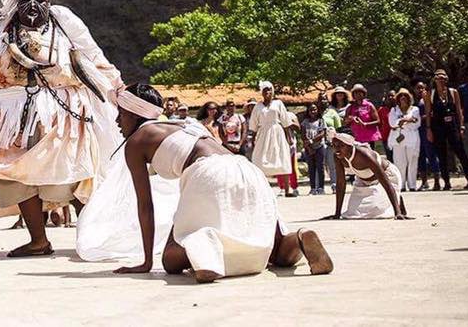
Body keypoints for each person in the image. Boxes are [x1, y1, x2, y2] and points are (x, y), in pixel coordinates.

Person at [0, 0, 123, 258]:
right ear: (15, 4)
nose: (33, 6)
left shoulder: (65, 24)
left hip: (64, 114)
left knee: (76, 172)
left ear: (49, 0)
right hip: (6, 119)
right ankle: (38, 241)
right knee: (12, 175)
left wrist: (117, 89)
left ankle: (93, 236)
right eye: (26, 1)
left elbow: (94, 57)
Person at [111, 84, 333, 281]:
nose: (116, 121)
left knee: (171, 259)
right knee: (274, 249)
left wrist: (147, 262)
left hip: (208, 172)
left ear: (134, 112)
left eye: (120, 114)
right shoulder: (183, 124)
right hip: (246, 169)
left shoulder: (136, 142)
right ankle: (299, 238)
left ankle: (204, 253)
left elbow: (145, 205)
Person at [326, 133, 408, 219]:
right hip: (363, 180)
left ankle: (398, 200)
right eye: (334, 145)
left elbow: (386, 182)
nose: (337, 149)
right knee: (353, 213)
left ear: (350, 146)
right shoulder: (338, 156)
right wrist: (337, 214)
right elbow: (341, 183)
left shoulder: (365, 155)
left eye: (341, 145)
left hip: (388, 177)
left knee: (377, 211)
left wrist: (397, 212)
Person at [424, 70, 468, 190]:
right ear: (435, 80)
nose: (441, 80)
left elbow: (459, 111)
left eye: (443, 78)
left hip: (452, 125)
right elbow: (428, 113)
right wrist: (429, 129)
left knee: (461, 153)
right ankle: (447, 182)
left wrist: (462, 126)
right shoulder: (431, 94)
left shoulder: (453, 92)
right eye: (438, 78)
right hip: (438, 126)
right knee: (441, 154)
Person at [249, 82, 295, 197]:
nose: (267, 92)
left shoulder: (278, 104)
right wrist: (252, 139)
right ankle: (261, 190)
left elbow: (285, 122)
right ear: (262, 92)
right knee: (259, 160)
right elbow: (253, 125)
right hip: (263, 134)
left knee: (282, 159)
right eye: (265, 90)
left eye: (269, 90)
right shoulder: (258, 106)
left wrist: (289, 137)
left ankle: (287, 190)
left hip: (277, 133)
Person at [388, 88, 421, 191]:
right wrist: (405, 120)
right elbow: (392, 123)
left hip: (412, 138)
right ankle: (401, 186)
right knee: (399, 163)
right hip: (398, 139)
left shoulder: (415, 109)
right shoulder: (394, 110)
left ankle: (412, 186)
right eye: (401, 96)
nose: (403, 98)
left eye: (405, 96)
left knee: (412, 162)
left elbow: (417, 123)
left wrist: (407, 121)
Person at [414, 81, 441, 191]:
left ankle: (437, 182)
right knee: (420, 156)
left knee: (431, 155)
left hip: (427, 129)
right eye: (417, 88)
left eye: (422, 87)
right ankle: (424, 182)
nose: (420, 90)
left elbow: (432, 113)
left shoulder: (429, 99)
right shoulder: (413, 101)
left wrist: (421, 118)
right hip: (417, 131)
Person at [301, 103, 328, 195]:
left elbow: (322, 133)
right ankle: (312, 188)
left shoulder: (321, 121)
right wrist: (308, 147)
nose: (313, 111)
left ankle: (321, 187)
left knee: (320, 168)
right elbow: (303, 135)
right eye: (311, 110)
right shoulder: (305, 122)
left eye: (315, 109)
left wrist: (312, 141)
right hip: (309, 148)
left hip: (319, 146)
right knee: (311, 168)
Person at [345, 84, 381, 149]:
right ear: (353, 95)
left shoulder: (369, 105)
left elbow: (378, 121)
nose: (358, 94)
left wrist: (365, 124)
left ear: (363, 93)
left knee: (369, 156)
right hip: (355, 137)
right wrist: (350, 119)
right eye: (356, 92)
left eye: (360, 92)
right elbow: (345, 122)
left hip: (369, 137)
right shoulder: (350, 107)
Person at [319, 92, 341, 192]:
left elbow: (338, 128)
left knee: (332, 165)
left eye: (324, 98)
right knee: (319, 165)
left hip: (330, 143)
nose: (322, 101)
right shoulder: (315, 111)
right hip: (318, 143)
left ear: (328, 100)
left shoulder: (332, 113)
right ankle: (319, 187)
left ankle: (334, 185)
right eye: (320, 99)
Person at [377, 91, 395, 161]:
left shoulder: (398, 109)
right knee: (389, 156)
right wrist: (380, 133)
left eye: (392, 96)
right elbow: (379, 123)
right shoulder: (381, 110)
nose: (390, 97)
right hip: (386, 137)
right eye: (389, 96)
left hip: (398, 137)